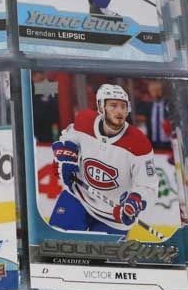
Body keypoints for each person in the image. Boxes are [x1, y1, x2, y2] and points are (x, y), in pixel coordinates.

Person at [49, 84, 157, 237]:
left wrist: (136, 201)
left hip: (114, 216)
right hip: (79, 197)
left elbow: (148, 186)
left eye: (123, 106)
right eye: (113, 105)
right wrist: (65, 158)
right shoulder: (84, 120)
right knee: (58, 242)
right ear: (101, 107)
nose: (119, 111)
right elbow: (67, 139)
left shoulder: (140, 144)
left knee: (101, 253)